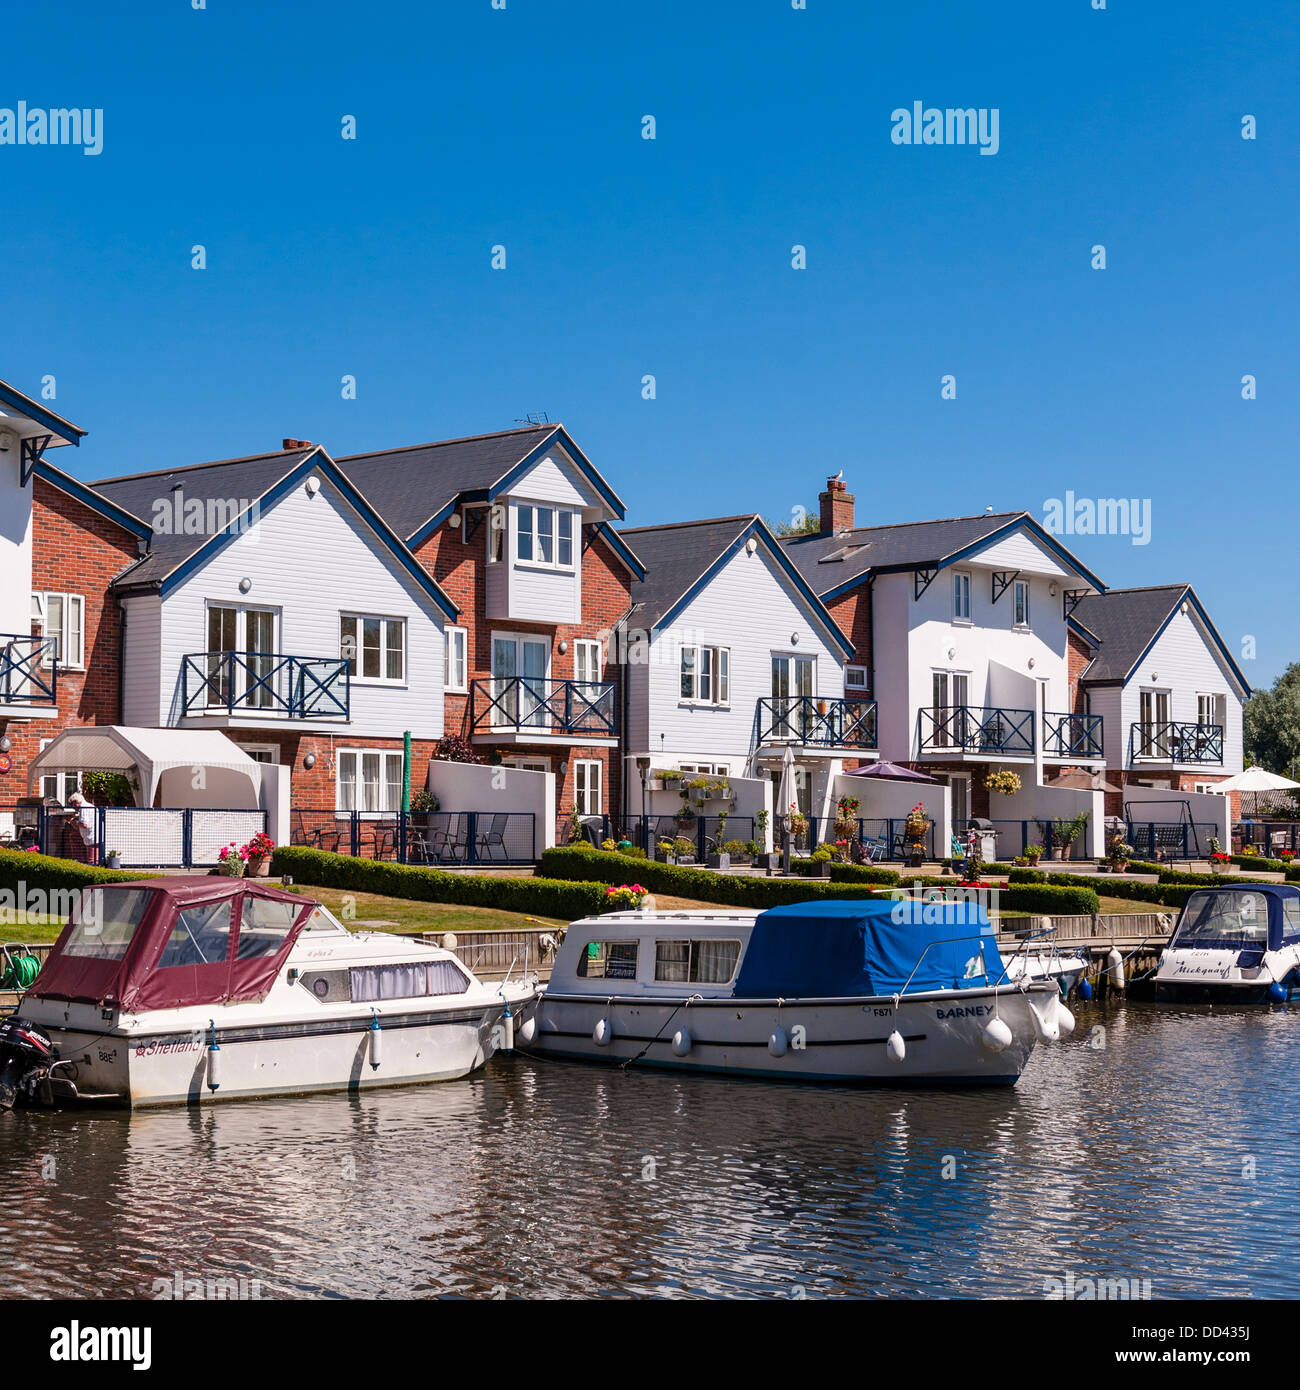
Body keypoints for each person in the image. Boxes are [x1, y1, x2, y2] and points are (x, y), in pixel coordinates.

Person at [66, 791, 98, 862]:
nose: (72, 806)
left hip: (91, 836)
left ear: (76, 802)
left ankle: (89, 868)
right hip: (93, 835)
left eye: (72, 804)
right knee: (74, 836)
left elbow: (84, 824)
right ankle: (80, 860)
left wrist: (73, 821)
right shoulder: (88, 806)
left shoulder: (84, 808)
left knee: (92, 860)